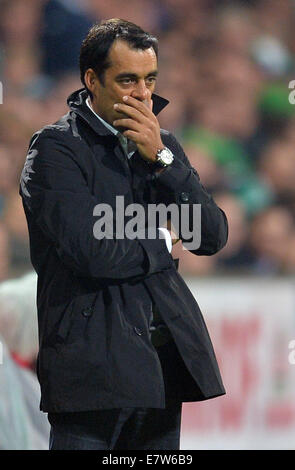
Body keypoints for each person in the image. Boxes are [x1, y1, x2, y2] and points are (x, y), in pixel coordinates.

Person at [19, 19, 228, 450]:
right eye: (128, 79)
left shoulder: (160, 145)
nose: (143, 93)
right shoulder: (55, 150)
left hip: (160, 368)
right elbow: (91, 252)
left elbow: (210, 235)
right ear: (92, 80)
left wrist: (165, 161)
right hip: (91, 370)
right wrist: (161, 240)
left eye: (150, 79)